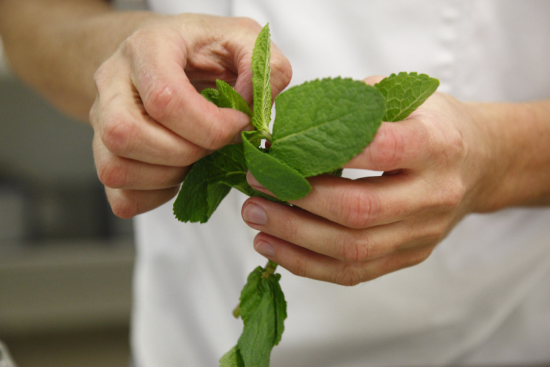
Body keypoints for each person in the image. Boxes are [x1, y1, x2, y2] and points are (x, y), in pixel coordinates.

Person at [1, 0, 550, 366]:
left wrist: (499, 155)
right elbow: (33, 16)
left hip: (492, 335)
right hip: (195, 327)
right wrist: (131, 66)